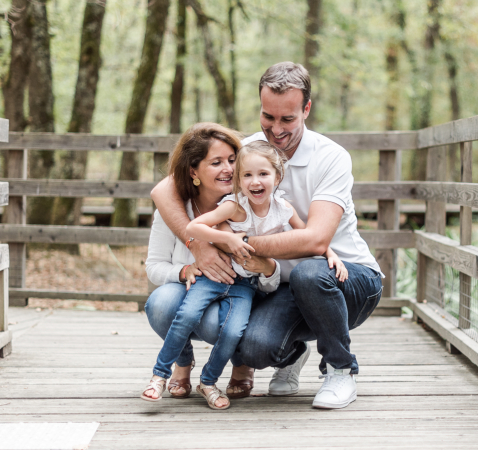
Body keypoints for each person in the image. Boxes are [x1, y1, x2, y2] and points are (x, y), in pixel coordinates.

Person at [149, 62, 384, 409]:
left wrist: (233, 244)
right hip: (280, 285)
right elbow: (164, 189)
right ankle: (290, 355)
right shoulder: (248, 151)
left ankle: (339, 369)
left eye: (287, 119)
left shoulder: (331, 158)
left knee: (309, 271)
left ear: (306, 109)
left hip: (345, 277)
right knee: (249, 346)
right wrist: (197, 243)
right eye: (267, 117)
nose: (276, 129)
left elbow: (314, 242)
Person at [143, 123, 275, 402]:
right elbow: (153, 267)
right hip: (194, 290)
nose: (228, 169)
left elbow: (276, 273)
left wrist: (265, 268)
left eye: (232, 161)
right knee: (160, 302)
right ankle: (182, 363)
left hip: (240, 294)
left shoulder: (254, 206)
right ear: (194, 172)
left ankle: (240, 364)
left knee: (220, 321)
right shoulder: (174, 210)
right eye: (216, 163)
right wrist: (184, 270)